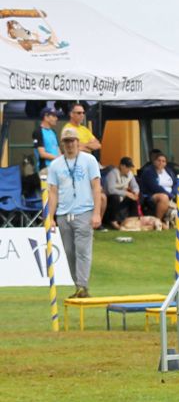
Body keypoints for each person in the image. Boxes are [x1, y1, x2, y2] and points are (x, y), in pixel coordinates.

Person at [46, 127, 102, 298]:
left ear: (78, 142)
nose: (70, 144)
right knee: (69, 252)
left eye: (72, 141)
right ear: (62, 144)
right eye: (66, 141)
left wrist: (96, 213)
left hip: (84, 211)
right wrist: (51, 217)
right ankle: (78, 285)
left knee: (83, 251)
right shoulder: (56, 165)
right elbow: (53, 192)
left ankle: (83, 286)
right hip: (64, 214)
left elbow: (96, 187)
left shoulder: (89, 160)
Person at [139, 151, 178, 225]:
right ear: (154, 162)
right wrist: (170, 195)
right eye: (159, 160)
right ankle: (158, 221)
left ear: (165, 163)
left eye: (163, 161)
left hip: (170, 194)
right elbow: (154, 187)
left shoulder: (168, 171)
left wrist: (174, 193)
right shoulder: (149, 171)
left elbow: (175, 183)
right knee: (164, 197)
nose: (161, 163)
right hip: (152, 195)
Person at [105, 156, 140, 229]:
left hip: (123, 197)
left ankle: (133, 220)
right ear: (122, 166)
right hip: (111, 198)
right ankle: (113, 221)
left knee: (134, 198)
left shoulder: (130, 174)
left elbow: (135, 186)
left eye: (130, 167)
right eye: (127, 167)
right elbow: (110, 190)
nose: (129, 169)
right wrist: (126, 193)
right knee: (115, 197)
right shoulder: (113, 173)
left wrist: (135, 192)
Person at [32, 106, 60, 175]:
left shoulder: (53, 132)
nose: (56, 118)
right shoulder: (38, 132)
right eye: (53, 116)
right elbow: (42, 154)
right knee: (45, 186)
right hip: (45, 169)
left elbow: (57, 149)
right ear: (46, 117)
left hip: (57, 167)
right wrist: (59, 159)